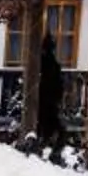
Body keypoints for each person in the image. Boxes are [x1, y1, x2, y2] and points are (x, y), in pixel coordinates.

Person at [36, 29, 68, 162]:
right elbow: (58, 85)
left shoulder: (46, 64)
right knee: (56, 132)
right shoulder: (48, 64)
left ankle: (44, 153)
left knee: (51, 131)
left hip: (46, 103)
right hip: (45, 104)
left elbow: (58, 85)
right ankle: (48, 154)